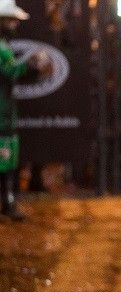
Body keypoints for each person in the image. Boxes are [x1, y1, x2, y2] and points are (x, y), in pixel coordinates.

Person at [0, 0, 51, 221]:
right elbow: (10, 72)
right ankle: (7, 203)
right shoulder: (1, 48)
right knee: (5, 159)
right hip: (2, 114)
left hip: (5, 111)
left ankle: (8, 201)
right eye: (10, 19)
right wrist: (31, 64)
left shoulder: (3, 46)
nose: (14, 24)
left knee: (7, 160)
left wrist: (29, 68)